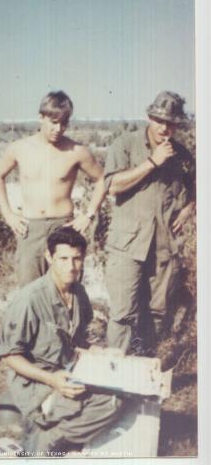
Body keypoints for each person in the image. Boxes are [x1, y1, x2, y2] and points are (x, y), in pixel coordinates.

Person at [0, 227, 123, 454]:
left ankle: (56, 430)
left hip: (68, 370)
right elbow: (9, 356)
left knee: (121, 390)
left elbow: (78, 341)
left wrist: (102, 353)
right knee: (109, 402)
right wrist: (52, 380)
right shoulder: (29, 300)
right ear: (49, 257)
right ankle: (50, 438)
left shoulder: (79, 293)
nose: (71, 266)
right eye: (63, 259)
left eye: (77, 259)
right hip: (36, 383)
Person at [104, 91, 196, 354]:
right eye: (159, 121)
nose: (164, 129)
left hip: (164, 247)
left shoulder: (183, 155)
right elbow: (112, 186)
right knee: (123, 312)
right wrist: (152, 162)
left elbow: (196, 185)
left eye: (171, 123)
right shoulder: (125, 144)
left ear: (177, 125)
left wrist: (189, 207)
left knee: (157, 313)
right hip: (128, 245)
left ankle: (143, 372)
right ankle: (116, 377)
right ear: (149, 117)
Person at [0, 91, 105, 286]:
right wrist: (8, 214)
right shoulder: (20, 148)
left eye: (63, 123)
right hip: (30, 228)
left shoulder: (77, 151)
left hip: (64, 226)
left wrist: (88, 215)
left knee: (66, 288)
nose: (58, 129)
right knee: (29, 290)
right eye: (53, 122)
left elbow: (103, 179)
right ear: (41, 117)